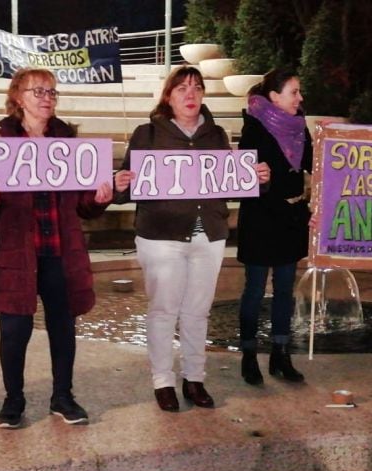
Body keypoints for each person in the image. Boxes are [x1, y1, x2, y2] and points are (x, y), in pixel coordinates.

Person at [114, 66, 270, 411]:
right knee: (163, 310)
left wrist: (258, 178)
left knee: (198, 311)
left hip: (208, 234)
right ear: (168, 96)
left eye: (197, 88)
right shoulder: (146, 134)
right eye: (182, 88)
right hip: (161, 235)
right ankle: (163, 381)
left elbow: (231, 182)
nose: (190, 94)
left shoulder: (217, 135)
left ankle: (195, 378)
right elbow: (126, 186)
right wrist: (119, 184)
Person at [0, 68, 114, 429]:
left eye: (51, 92)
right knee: (13, 330)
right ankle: (13, 400)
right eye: (38, 91)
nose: (47, 98)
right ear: (18, 97)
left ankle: (63, 397)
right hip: (15, 251)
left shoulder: (69, 141)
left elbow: (84, 206)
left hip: (60, 250)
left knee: (63, 327)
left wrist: (98, 199)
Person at [235, 69, 312, 385]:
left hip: (291, 219)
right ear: (274, 97)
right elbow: (244, 178)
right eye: (294, 92)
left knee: (285, 290)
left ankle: (281, 353)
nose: (300, 98)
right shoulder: (254, 128)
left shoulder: (299, 126)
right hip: (261, 219)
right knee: (254, 289)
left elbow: (312, 162)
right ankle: (249, 355)